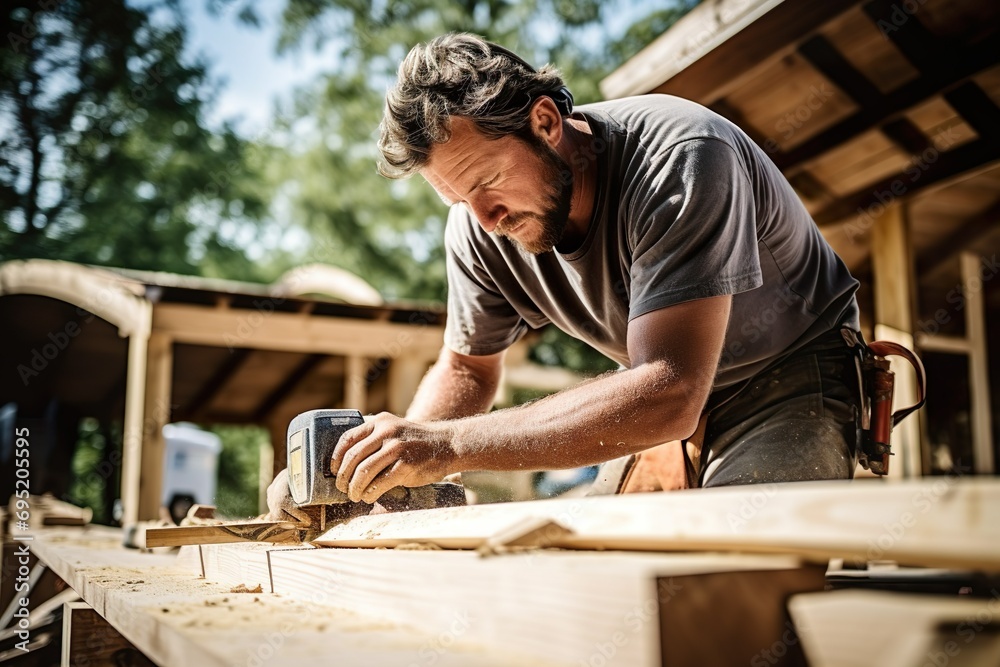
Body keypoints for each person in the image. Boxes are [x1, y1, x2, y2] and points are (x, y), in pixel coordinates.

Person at [311, 33, 865, 506]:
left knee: (732, 576)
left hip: (790, 374)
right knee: (592, 560)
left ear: (546, 121)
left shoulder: (681, 157)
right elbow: (467, 371)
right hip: (659, 404)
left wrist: (446, 447)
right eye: (457, 200)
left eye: (485, 183)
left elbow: (671, 386)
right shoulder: (478, 226)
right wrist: (387, 476)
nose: (485, 217)